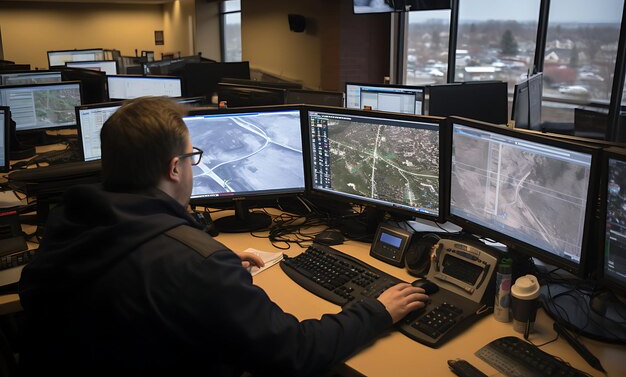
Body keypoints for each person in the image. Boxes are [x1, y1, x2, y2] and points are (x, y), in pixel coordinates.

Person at [18, 97, 428, 376]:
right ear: (175, 169)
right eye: (192, 157)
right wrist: (377, 311)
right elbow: (296, 354)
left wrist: (214, 275)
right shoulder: (196, 262)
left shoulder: (71, 224)